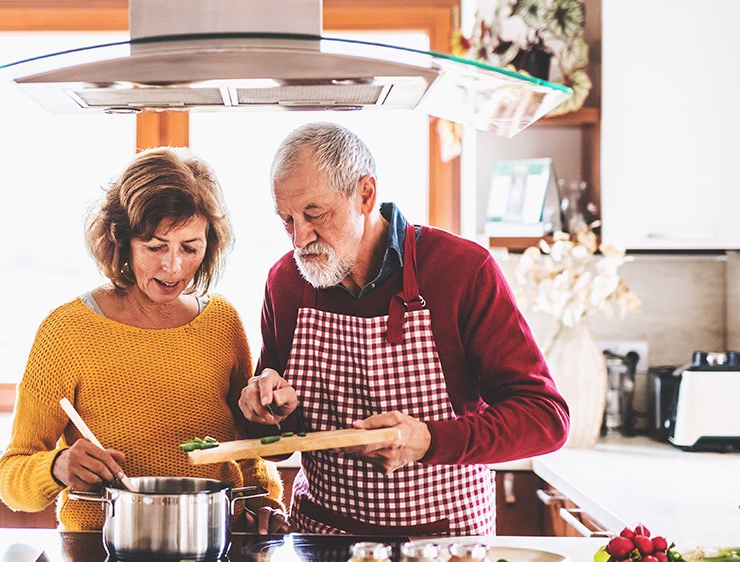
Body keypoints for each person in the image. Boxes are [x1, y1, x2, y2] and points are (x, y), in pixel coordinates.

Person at [238, 122, 569, 536]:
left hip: (445, 544)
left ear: (365, 194)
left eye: (314, 213)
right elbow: (271, 435)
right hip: (321, 539)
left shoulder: (461, 270)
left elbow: (546, 418)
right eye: (286, 219)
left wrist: (428, 440)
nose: (300, 238)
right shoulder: (286, 282)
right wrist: (271, 411)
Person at [0, 147, 287, 534]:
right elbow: (13, 477)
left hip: (213, 540)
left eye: (190, 247)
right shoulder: (67, 331)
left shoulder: (222, 322)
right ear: (121, 241)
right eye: (154, 247)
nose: (173, 267)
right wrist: (57, 466)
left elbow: (246, 447)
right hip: (103, 551)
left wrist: (264, 500)